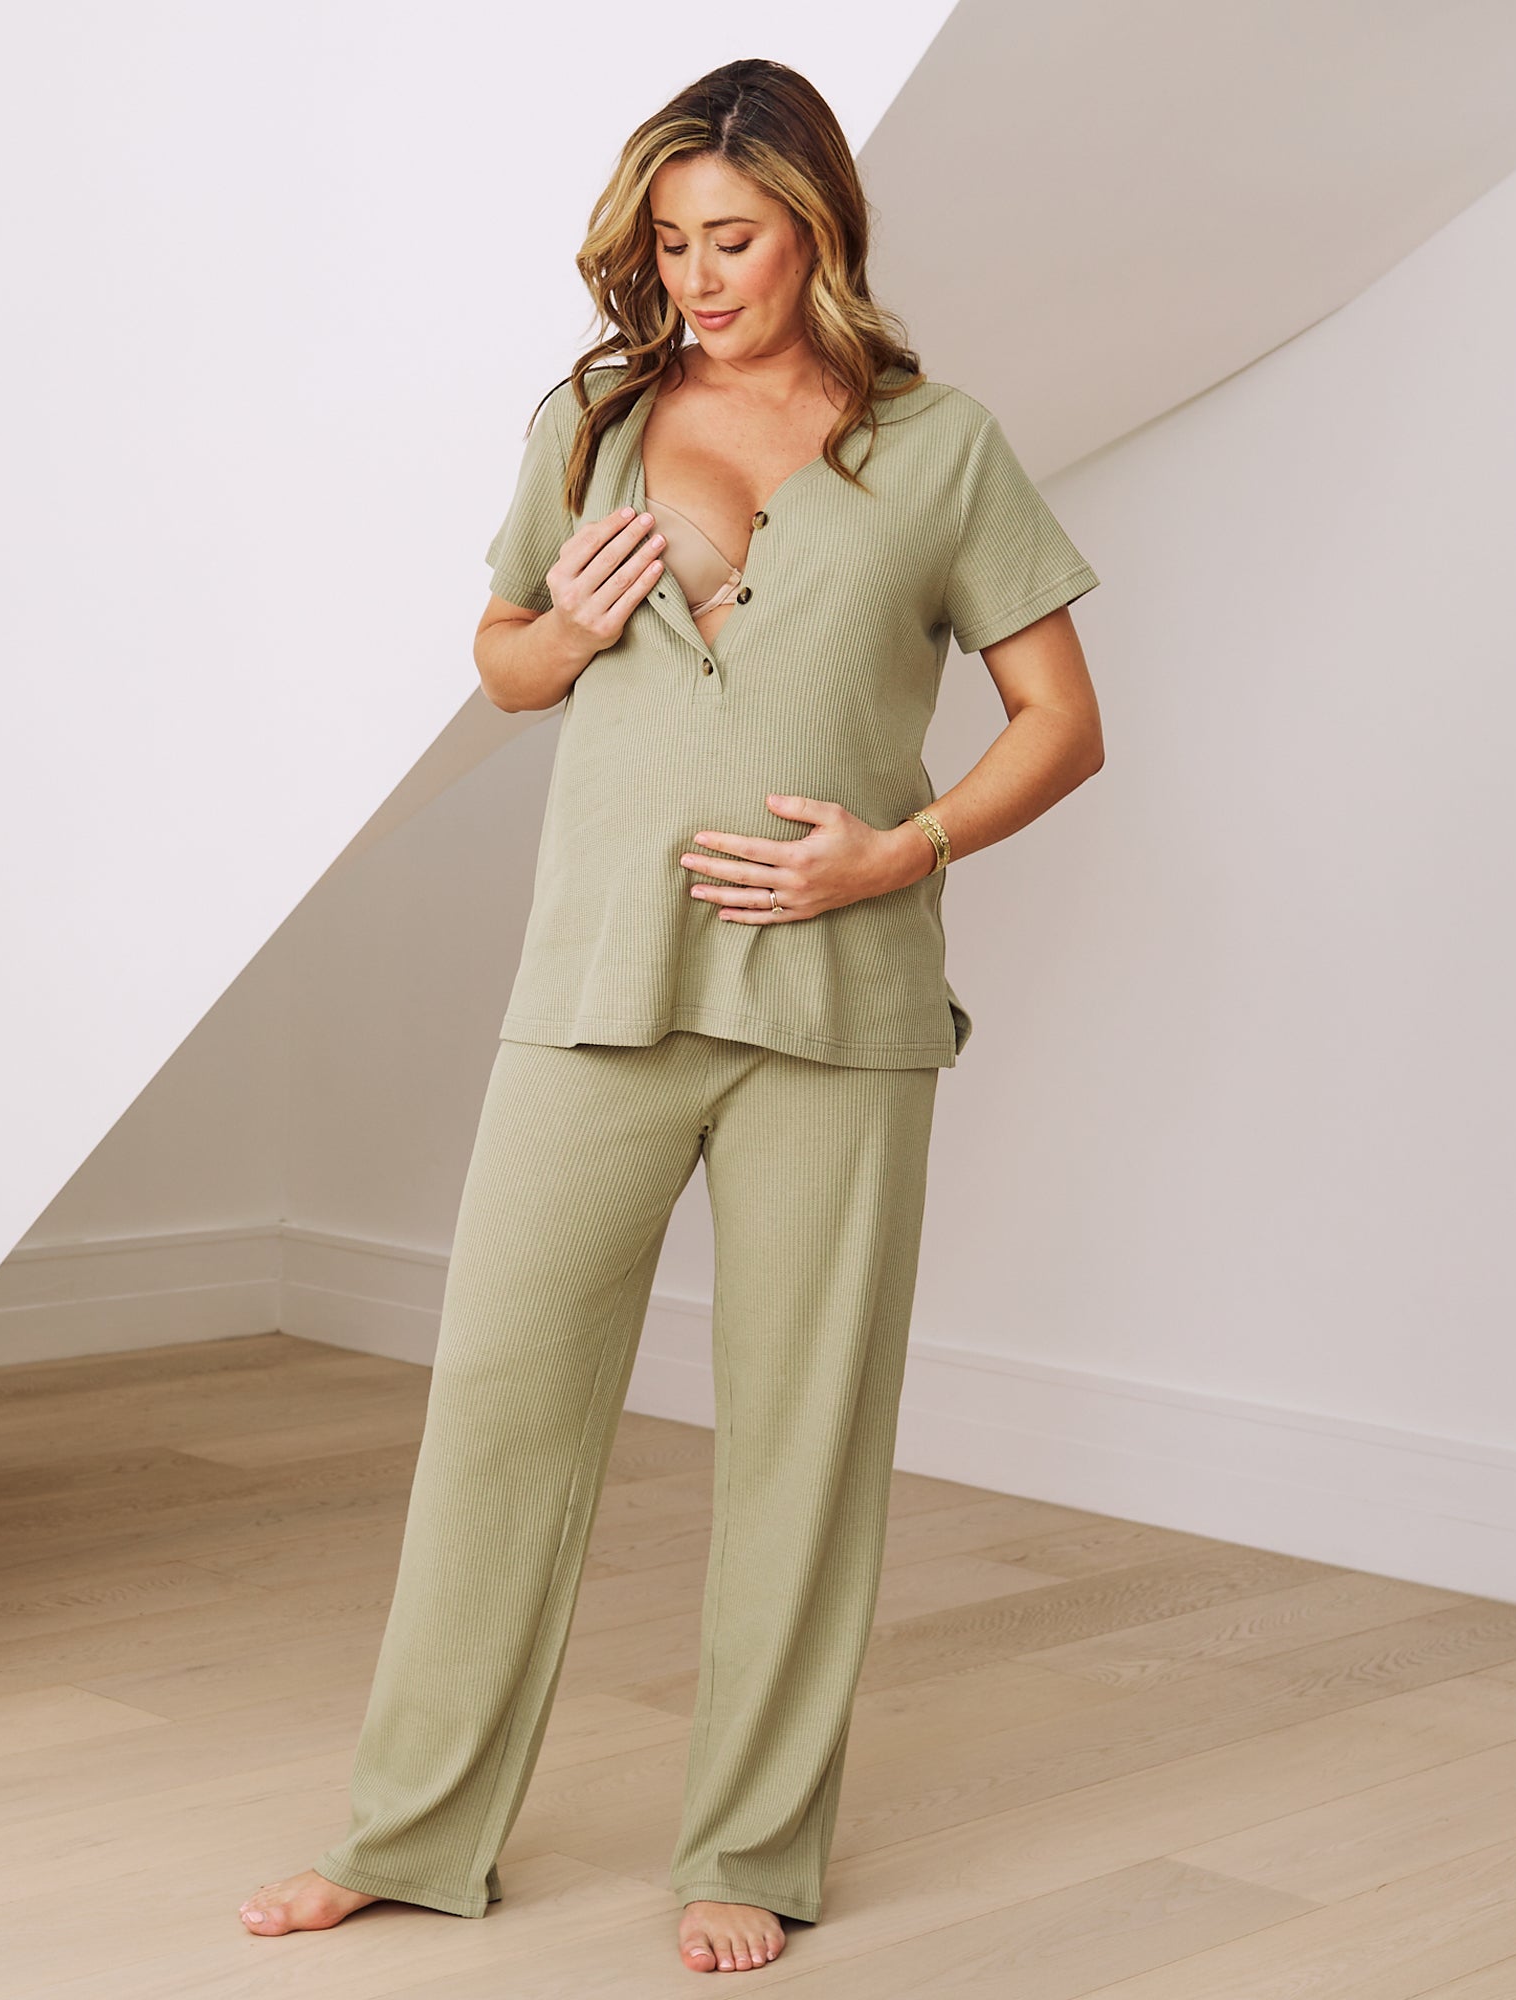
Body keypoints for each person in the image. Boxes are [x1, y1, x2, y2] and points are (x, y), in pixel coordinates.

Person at [238, 55, 1104, 1977]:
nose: (695, 280)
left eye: (732, 241)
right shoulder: (593, 420)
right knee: (498, 1416)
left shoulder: (940, 445)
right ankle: (411, 1830)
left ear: (818, 232)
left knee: (804, 1441)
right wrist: (560, 623)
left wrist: (897, 852)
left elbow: (1063, 722)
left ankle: (755, 1848)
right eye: (669, 246)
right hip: (597, 987)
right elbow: (508, 665)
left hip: (842, 1007)